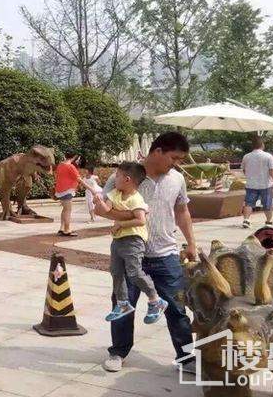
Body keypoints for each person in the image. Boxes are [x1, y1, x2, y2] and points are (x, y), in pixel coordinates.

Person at [95, 132, 197, 374]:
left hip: (165, 254)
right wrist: (136, 216)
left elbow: (182, 211)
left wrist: (191, 243)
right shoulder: (123, 177)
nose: (177, 164)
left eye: (180, 160)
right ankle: (118, 351)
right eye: (174, 158)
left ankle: (185, 357)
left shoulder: (177, 179)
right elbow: (103, 211)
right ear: (158, 151)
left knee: (177, 307)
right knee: (123, 303)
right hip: (130, 253)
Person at [94, 162, 168, 324]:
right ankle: (122, 303)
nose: (115, 179)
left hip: (133, 240)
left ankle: (156, 300)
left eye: (117, 176)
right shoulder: (115, 193)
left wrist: (121, 224)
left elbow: (141, 220)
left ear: (127, 179)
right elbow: (105, 210)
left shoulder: (136, 199)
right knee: (116, 271)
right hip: (118, 240)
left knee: (134, 272)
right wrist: (99, 201)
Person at [241, 137, 273, 229]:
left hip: (251, 184)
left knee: (248, 203)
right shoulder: (268, 156)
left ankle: (246, 220)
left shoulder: (246, 156)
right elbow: (272, 170)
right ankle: (269, 221)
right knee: (267, 204)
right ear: (262, 145)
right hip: (265, 184)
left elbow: (244, 170)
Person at [53, 153, 81, 236]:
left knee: (65, 210)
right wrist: (92, 189)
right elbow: (78, 179)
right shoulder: (70, 166)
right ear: (75, 157)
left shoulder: (60, 165)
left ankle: (62, 228)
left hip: (60, 190)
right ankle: (67, 229)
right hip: (67, 190)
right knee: (68, 210)